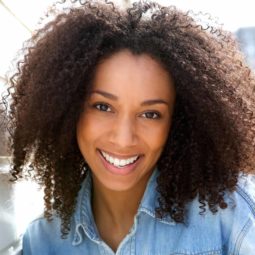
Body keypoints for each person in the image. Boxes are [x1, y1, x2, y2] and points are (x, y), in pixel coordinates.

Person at [4, 0, 255, 254]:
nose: (124, 139)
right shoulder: (43, 241)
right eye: (103, 107)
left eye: (150, 114)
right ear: (68, 108)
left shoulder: (230, 215)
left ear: (178, 123)